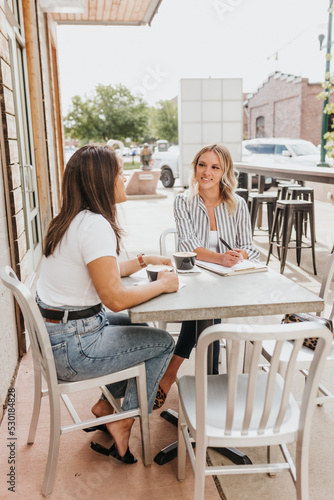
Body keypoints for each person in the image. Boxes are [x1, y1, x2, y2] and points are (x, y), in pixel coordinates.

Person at [36, 144, 178, 463]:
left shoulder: (71, 219)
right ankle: (124, 418)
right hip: (75, 348)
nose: (124, 177)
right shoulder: (95, 226)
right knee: (163, 342)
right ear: (101, 181)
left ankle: (106, 404)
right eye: (119, 173)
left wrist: (142, 261)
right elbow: (113, 298)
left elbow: (104, 271)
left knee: (138, 326)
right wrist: (163, 284)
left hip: (60, 337)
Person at [158, 143, 260, 399]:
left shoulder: (237, 204)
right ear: (195, 168)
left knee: (206, 312)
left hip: (229, 282)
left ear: (224, 171)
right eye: (202, 165)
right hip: (194, 278)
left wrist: (238, 256)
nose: (207, 172)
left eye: (215, 167)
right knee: (206, 312)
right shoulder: (183, 201)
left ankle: (173, 373)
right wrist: (219, 258)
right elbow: (188, 245)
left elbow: (250, 247)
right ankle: (209, 386)